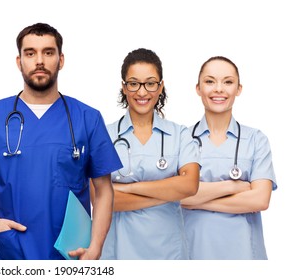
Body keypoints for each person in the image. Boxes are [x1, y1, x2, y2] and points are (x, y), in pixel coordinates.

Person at [0, 22, 122, 260]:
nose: (40, 61)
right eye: (30, 53)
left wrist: (96, 247)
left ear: (61, 60)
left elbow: (103, 190)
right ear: (19, 62)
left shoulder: (87, 118)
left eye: (48, 52)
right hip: (12, 253)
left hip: (70, 256)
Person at [100, 48, 200, 260]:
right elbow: (100, 199)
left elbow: (190, 186)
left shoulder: (180, 134)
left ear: (160, 86)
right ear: (124, 87)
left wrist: (128, 189)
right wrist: (168, 191)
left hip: (168, 253)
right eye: (134, 83)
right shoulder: (105, 135)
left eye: (150, 83)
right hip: (119, 252)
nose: (142, 92)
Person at [181, 56, 277, 259]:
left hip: (243, 254)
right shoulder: (182, 140)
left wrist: (196, 199)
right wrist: (232, 187)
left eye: (228, 81)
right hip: (194, 251)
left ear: (238, 89)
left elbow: (260, 199)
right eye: (209, 81)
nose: (218, 89)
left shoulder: (256, 140)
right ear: (198, 88)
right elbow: (177, 197)